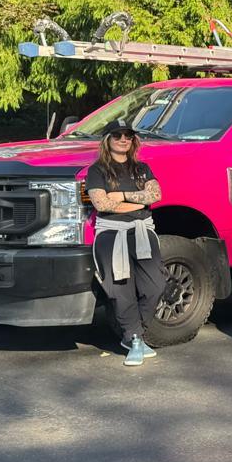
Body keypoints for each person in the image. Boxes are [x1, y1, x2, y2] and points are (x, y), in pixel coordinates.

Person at [85, 119, 167, 367]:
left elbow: (156, 195)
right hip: (112, 234)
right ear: (107, 140)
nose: (123, 139)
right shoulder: (97, 170)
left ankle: (135, 335)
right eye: (117, 135)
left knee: (156, 285)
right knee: (121, 291)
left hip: (142, 231)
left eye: (128, 135)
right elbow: (101, 204)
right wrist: (140, 202)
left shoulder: (142, 168)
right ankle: (135, 340)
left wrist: (120, 196)